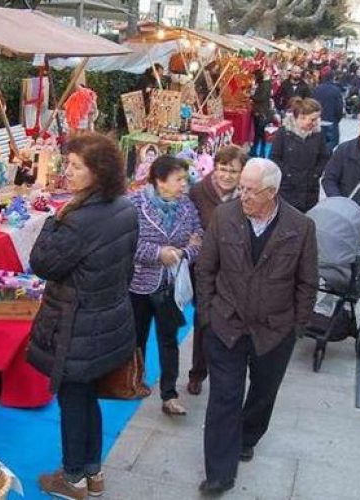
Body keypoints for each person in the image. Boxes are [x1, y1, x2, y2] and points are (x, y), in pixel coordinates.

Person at [195, 158, 318, 496]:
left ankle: (248, 437)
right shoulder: (225, 216)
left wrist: (297, 326)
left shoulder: (300, 226)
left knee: (263, 393)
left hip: (275, 331)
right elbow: (205, 269)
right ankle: (219, 473)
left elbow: (308, 282)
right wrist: (206, 314)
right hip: (226, 325)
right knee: (223, 398)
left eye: (251, 190)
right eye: (241, 188)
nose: (242, 195)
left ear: (272, 193)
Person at [27, 133, 139, 500]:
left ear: (98, 171)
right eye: (68, 164)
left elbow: (42, 264)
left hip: (78, 325)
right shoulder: (124, 207)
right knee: (86, 397)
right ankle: (93, 472)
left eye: (76, 166)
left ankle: (73, 476)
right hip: (108, 320)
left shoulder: (78, 221)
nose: (68, 172)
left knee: (74, 400)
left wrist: (52, 220)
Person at [128, 156, 204, 416]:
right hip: (139, 284)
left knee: (168, 339)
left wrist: (183, 254)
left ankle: (169, 394)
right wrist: (157, 253)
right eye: (178, 179)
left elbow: (198, 238)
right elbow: (128, 243)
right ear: (160, 181)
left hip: (171, 285)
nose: (184, 185)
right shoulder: (135, 204)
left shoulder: (187, 206)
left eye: (185, 179)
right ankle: (132, 381)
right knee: (136, 336)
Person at [186, 145, 248, 396]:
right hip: (204, 268)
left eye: (233, 171)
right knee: (204, 318)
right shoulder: (199, 191)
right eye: (222, 169)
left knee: (229, 320)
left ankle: (225, 370)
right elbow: (188, 221)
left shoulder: (246, 194)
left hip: (235, 270)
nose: (226, 176)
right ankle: (197, 372)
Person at [272, 98, 331, 213]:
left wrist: (315, 174)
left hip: (309, 190)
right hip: (287, 189)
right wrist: (287, 174)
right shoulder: (283, 133)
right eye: (312, 119)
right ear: (301, 116)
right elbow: (275, 158)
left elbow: (324, 157)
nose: (315, 123)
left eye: (317, 119)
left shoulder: (318, 135)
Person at [313, 69, 345, 153]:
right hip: (331, 120)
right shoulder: (336, 90)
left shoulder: (316, 89)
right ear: (333, 77)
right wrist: (337, 120)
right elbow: (339, 108)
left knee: (317, 142)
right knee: (332, 142)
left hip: (318, 120)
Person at [251, 69, 274, 158]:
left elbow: (261, 98)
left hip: (260, 113)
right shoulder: (265, 84)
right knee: (259, 134)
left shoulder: (264, 85)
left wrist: (251, 96)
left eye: (254, 77)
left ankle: (260, 152)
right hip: (261, 112)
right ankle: (257, 151)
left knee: (260, 134)